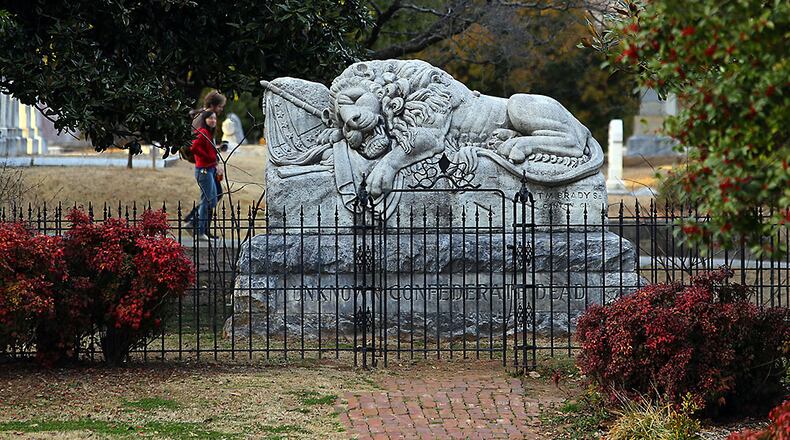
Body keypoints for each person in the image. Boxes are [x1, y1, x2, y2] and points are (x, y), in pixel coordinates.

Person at [188, 110, 224, 241]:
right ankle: (199, 231)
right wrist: (209, 157)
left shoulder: (209, 133)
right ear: (205, 120)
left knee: (213, 200)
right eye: (210, 118)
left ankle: (193, 222)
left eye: (214, 118)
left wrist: (214, 162)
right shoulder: (202, 132)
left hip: (210, 169)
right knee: (207, 201)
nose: (213, 120)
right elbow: (193, 147)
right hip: (203, 170)